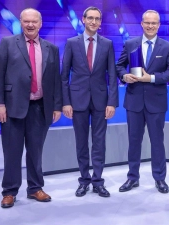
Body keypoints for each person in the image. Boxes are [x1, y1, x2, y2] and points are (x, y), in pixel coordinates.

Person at [0, 8, 62, 208]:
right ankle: (10, 191)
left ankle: (35, 188)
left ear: (40, 24)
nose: (30, 25)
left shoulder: (51, 48)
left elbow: (55, 79)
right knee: (12, 151)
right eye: (26, 21)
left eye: (34, 22)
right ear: (21, 23)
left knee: (36, 151)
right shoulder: (7, 44)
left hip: (40, 107)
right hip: (13, 107)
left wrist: (56, 105)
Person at [116, 10, 169, 194]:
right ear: (141, 24)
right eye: (147, 22)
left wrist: (150, 78)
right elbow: (119, 66)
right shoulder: (130, 44)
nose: (150, 26)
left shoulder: (167, 47)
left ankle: (159, 179)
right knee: (134, 141)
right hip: (134, 101)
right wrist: (124, 76)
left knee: (157, 141)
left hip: (156, 103)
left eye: (154, 23)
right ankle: (132, 177)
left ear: (158, 25)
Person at [61, 6, 118, 198]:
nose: (93, 22)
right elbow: (64, 76)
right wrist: (66, 102)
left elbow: (112, 75)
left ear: (100, 22)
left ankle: (98, 181)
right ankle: (84, 180)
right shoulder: (72, 43)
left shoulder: (107, 44)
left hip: (101, 101)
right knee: (81, 142)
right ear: (83, 20)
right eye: (90, 18)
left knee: (99, 142)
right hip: (77, 100)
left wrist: (112, 103)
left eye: (97, 19)